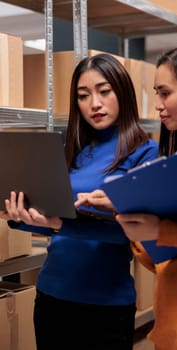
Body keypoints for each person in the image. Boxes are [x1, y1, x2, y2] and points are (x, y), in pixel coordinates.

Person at [74, 44, 177, 350]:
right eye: (156, 93)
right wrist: (127, 208)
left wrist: (163, 230)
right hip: (174, 327)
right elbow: (161, 258)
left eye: (165, 93)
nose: (157, 104)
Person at [0, 53, 159, 350]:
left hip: (106, 304)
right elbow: (55, 220)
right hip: (52, 296)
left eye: (104, 91)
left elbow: (131, 231)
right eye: (83, 96)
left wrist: (61, 224)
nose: (94, 104)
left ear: (122, 91)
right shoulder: (71, 151)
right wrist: (22, 216)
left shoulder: (145, 153)